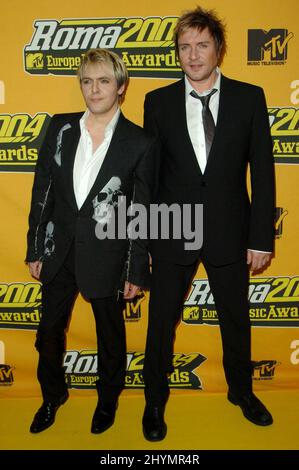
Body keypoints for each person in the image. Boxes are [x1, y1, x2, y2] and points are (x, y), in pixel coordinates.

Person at [142, 6, 275, 441]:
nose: (194, 55)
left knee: (235, 319)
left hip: (229, 230)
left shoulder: (249, 97)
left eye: (202, 45)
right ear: (177, 53)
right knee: (161, 323)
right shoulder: (156, 102)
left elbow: (264, 171)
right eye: (185, 47)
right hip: (171, 230)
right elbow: (150, 177)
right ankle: (154, 401)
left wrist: (260, 237)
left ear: (219, 49)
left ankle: (242, 392)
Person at [26, 48, 156, 434]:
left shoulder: (140, 142)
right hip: (59, 251)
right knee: (48, 332)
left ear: (121, 86)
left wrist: (136, 268)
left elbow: (141, 210)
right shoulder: (60, 127)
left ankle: (107, 401)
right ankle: (52, 397)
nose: (94, 89)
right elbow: (42, 192)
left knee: (110, 338)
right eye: (87, 81)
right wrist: (35, 248)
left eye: (103, 81)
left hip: (109, 256)